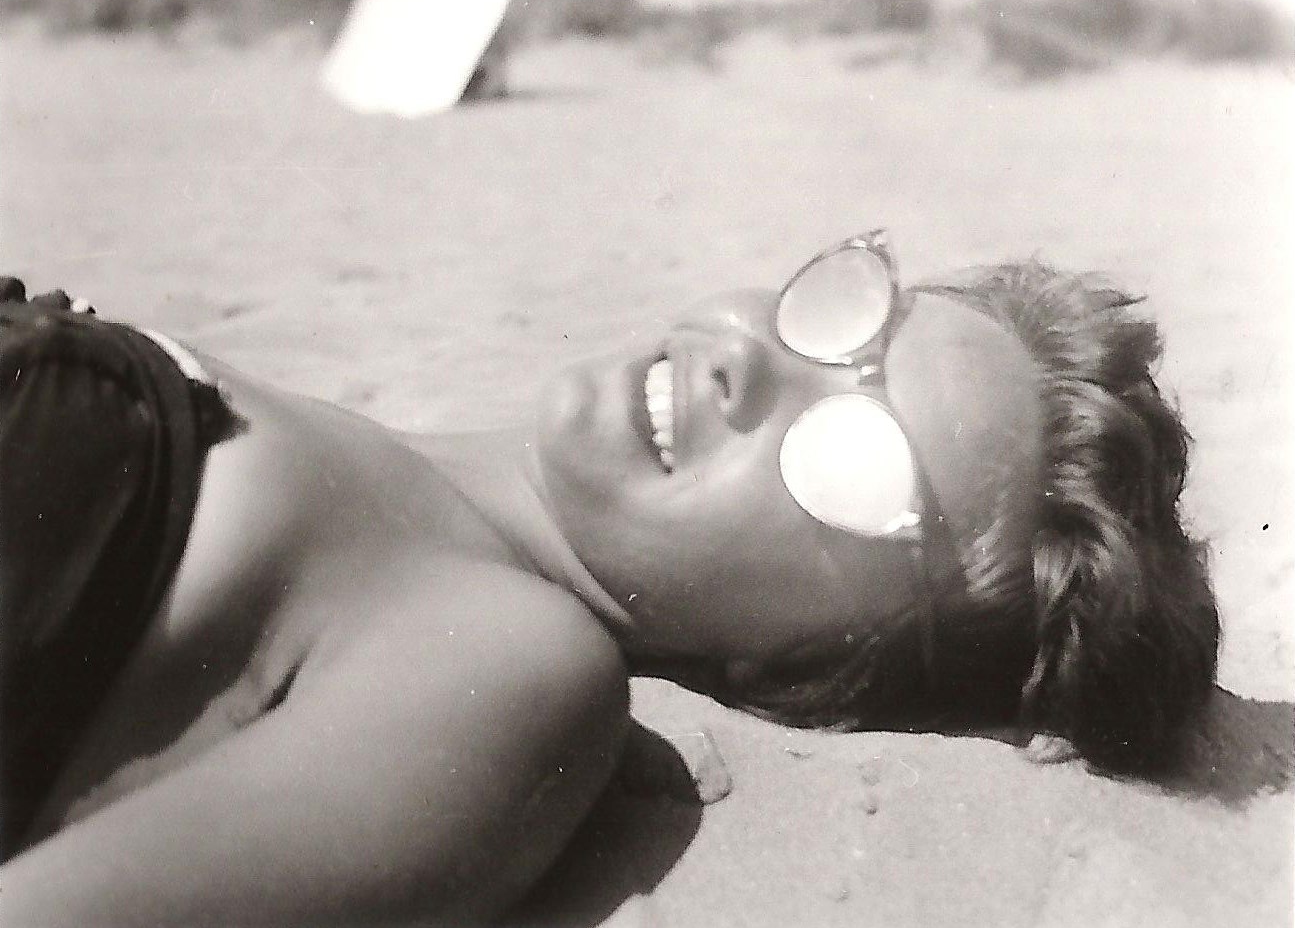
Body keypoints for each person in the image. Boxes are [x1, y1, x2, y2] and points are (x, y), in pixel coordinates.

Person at [0, 231, 1219, 926]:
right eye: (842, 321)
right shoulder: (380, 472)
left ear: (806, 669)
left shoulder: (505, 667)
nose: (750, 367)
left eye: (854, 458)